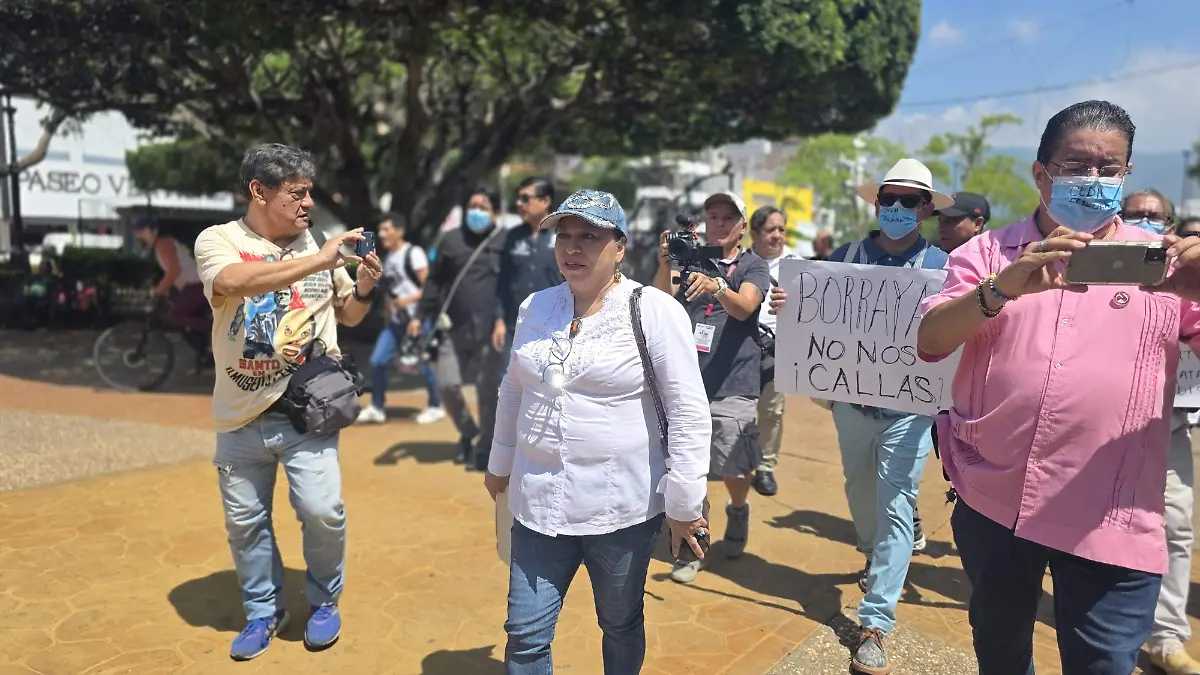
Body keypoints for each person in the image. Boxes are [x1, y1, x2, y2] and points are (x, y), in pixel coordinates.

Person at [915, 99, 1200, 674]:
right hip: (993, 499)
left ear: (1126, 173)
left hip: (1114, 512)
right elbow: (932, 339)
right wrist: (1000, 290)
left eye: (1108, 168)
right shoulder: (986, 254)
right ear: (1041, 173)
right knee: (999, 643)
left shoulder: (1164, 262)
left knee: (1103, 661)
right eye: (1075, 165)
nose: (1092, 179)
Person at [485, 189, 711, 674]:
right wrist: (499, 463)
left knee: (621, 623)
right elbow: (513, 390)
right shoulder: (535, 308)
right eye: (564, 236)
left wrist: (684, 505)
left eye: (590, 236)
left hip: (620, 512)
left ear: (621, 246)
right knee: (524, 636)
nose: (573, 248)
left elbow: (689, 411)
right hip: (537, 504)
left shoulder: (652, 309)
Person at [193, 143, 383, 661]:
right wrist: (318, 260)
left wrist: (362, 288)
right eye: (296, 194)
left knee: (322, 511)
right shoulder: (220, 241)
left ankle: (324, 602)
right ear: (259, 191)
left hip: (309, 412)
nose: (306, 205)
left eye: (308, 195)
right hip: (240, 415)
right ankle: (262, 610)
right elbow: (231, 283)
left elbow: (347, 315)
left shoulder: (316, 240)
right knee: (245, 523)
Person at [770, 158, 950, 674]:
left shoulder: (944, 267)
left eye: (908, 200)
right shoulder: (843, 259)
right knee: (859, 490)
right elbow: (807, 318)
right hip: (851, 405)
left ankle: (876, 621)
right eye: (887, 199)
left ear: (926, 209)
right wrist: (790, 304)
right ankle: (873, 556)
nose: (896, 208)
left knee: (897, 503)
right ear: (876, 204)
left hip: (910, 409)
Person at [654, 191, 771, 585]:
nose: (719, 224)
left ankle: (739, 509)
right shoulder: (689, 257)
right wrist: (665, 263)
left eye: (727, 217)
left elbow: (745, 307)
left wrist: (718, 286)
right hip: (687, 382)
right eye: (713, 216)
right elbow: (660, 299)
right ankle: (692, 544)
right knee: (688, 467)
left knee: (734, 464)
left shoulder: (754, 265)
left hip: (734, 381)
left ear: (742, 225)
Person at [409, 186, 506, 469]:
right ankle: (467, 431)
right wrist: (419, 315)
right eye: (472, 206)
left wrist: (503, 319)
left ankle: (484, 448)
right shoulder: (451, 240)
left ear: (495, 213)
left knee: (488, 391)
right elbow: (435, 282)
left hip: (490, 331)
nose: (476, 211)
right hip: (452, 327)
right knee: (447, 384)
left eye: (483, 207)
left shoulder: (504, 241)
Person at [356, 212, 443, 425]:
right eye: (381, 230)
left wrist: (409, 302)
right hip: (395, 324)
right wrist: (389, 316)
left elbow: (429, 288)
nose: (382, 234)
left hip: (416, 320)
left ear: (400, 231)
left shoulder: (414, 254)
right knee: (377, 361)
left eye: (387, 229)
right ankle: (377, 406)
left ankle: (435, 405)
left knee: (424, 363)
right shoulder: (387, 258)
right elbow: (389, 293)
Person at [748, 206, 796, 497]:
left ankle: (765, 467)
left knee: (772, 411)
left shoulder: (798, 264)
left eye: (781, 229)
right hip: (740, 347)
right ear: (754, 234)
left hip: (779, 349)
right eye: (770, 230)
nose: (777, 235)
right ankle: (732, 462)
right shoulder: (739, 263)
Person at [492, 177, 561, 362]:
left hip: (555, 329)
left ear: (545, 201)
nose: (519, 204)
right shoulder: (512, 237)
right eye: (518, 198)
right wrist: (499, 320)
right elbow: (503, 281)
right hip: (516, 328)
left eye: (525, 198)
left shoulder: (563, 235)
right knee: (511, 387)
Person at [134, 216, 213, 371]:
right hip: (195, 284)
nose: (139, 235)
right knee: (190, 322)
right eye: (138, 232)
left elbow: (174, 271)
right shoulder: (163, 244)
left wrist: (157, 292)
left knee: (175, 317)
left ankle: (219, 329)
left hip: (196, 285)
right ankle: (205, 356)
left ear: (153, 231)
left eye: (142, 231)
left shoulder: (163, 244)